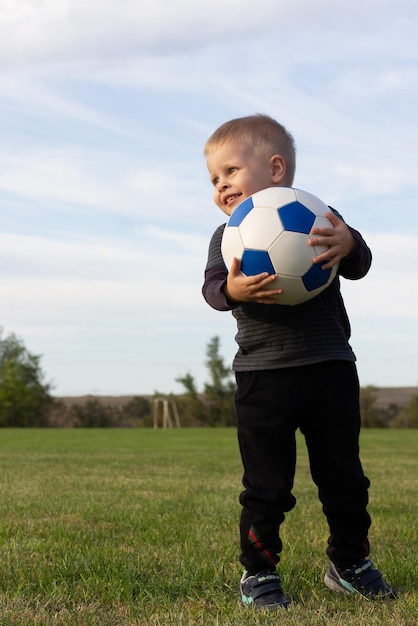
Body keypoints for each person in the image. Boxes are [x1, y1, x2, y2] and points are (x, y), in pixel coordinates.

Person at [202, 114, 396, 610]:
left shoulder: (319, 215)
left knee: (344, 478)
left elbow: (360, 263)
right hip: (263, 377)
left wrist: (349, 242)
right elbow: (211, 291)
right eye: (214, 180)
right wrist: (231, 289)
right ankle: (260, 574)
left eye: (230, 171)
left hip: (329, 367)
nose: (221, 185)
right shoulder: (228, 236)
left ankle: (349, 562)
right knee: (266, 486)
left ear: (274, 167)